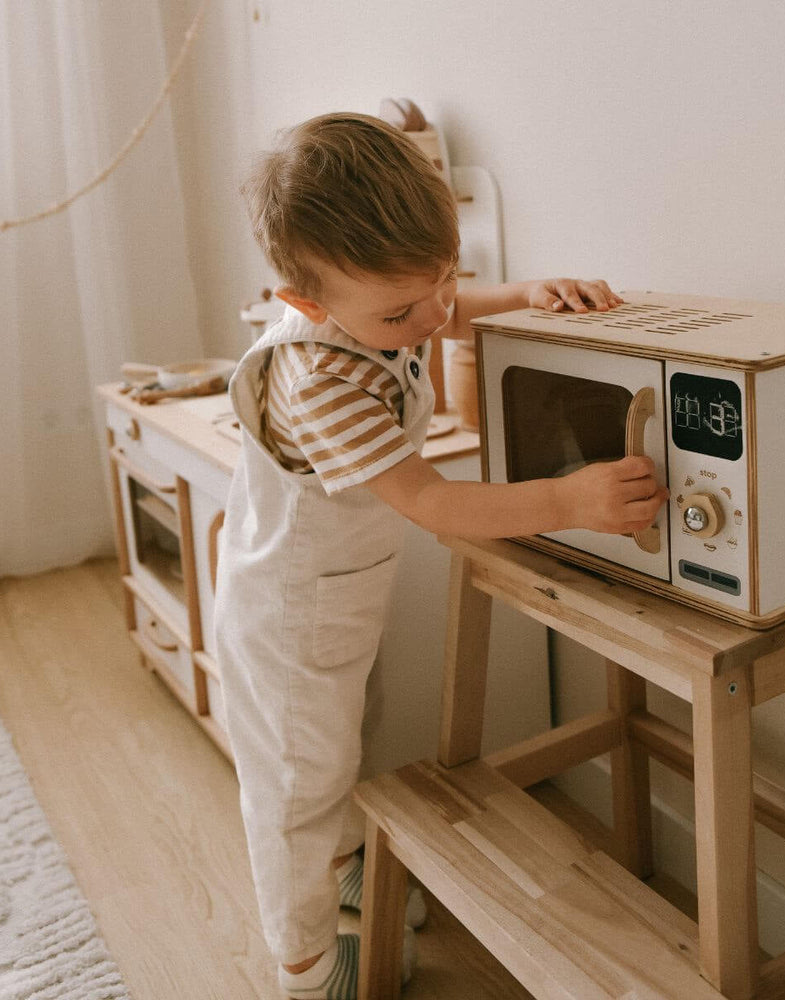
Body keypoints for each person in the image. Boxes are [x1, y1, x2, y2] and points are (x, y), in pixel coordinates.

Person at [213, 111, 668, 1000]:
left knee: (340, 739)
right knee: (297, 785)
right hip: (287, 615)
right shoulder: (322, 379)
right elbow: (433, 502)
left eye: (445, 280)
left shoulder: (384, 306)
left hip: (335, 594)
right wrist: (572, 501)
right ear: (306, 303)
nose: (432, 320)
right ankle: (303, 963)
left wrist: (528, 292)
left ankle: (347, 862)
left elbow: (448, 314)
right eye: (400, 312)